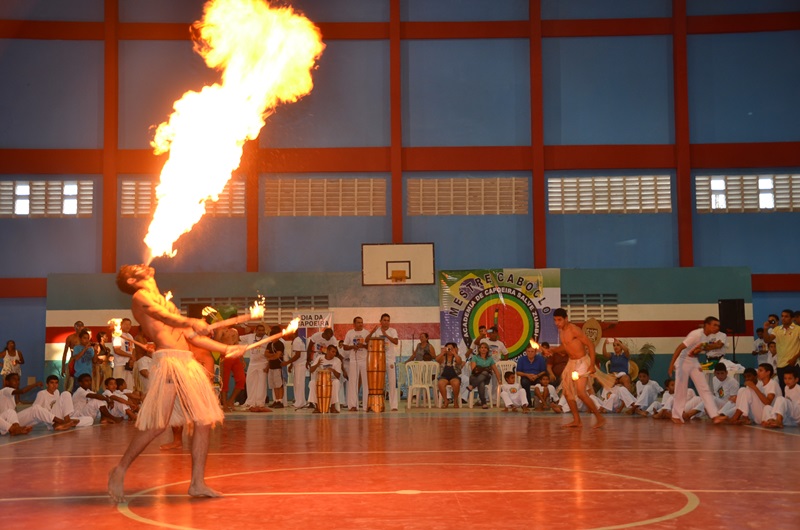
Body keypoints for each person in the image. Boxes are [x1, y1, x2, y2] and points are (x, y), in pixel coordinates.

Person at [108, 264, 246, 503]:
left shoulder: (167, 302)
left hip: (186, 361)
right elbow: (164, 318)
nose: (142, 265)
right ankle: (119, 469)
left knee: (203, 420)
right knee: (158, 425)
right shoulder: (140, 297)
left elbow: (191, 336)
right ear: (131, 281)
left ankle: (197, 483)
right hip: (169, 361)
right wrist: (191, 320)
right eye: (134, 267)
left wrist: (226, 348)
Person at [542, 308, 613, 428]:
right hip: (572, 363)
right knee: (567, 392)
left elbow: (590, 344)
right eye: (555, 320)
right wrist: (552, 350)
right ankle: (577, 421)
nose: (557, 323)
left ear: (566, 319)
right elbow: (565, 347)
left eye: (559, 320)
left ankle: (600, 418)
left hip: (582, 362)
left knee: (581, 393)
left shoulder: (574, 329)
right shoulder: (561, 331)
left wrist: (592, 365)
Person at [667, 317, 728, 425]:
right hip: (682, 361)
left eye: (718, 325)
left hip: (693, 361)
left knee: (704, 388)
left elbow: (698, 349)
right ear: (707, 325)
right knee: (681, 389)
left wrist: (698, 364)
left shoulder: (707, 336)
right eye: (714, 325)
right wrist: (671, 365)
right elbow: (680, 348)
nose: (717, 327)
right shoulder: (696, 335)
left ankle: (714, 415)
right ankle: (676, 415)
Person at [1, 373, 78, 432]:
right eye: (14, 380)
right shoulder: (5, 390)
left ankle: (62, 422)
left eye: (18, 380)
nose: (17, 382)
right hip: (6, 421)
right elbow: (22, 391)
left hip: (14, 421)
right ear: (6, 382)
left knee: (66, 394)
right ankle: (60, 422)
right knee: (36, 408)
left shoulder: (9, 395)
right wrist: (35, 384)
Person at [367, 314, 400, 411]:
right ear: (380, 321)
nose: (386, 322)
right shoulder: (377, 331)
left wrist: (386, 335)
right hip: (378, 360)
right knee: (378, 383)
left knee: (392, 382)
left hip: (390, 360)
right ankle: (378, 404)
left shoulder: (392, 331)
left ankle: (394, 405)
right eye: (384, 320)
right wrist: (372, 332)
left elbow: (396, 342)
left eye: (388, 320)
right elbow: (367, 341)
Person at [762, 310, 800, 393]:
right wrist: (765, 329)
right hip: (780, 364)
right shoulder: (777, 329)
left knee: (795, 389)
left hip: (792, 363)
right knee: (783, 389)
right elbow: (767, 340)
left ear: (792, 318)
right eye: (782, 316)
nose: (783, 318)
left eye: (786, 316)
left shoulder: (798, 329)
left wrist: (794, 358)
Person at [239, 324, 269, 411]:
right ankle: (250, 402)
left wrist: (268, 365)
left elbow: (270, 351)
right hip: (252, 363)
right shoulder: (250, 337)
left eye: (263, 330)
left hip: (263, 363)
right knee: (250, 382)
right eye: (259, 330)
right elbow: (237, 337)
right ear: (256, 330)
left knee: (261, 384)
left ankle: (260, 403)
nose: (261, 332)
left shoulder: (267, 339)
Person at [307, 327, 338, 410]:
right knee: (313, 381)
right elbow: (309, 347)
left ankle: (329, 403)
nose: (329, 338)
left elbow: (336, 351)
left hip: (327, 359)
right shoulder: (316, 336)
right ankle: (313, 403)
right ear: (324, 333)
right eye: (328, 336)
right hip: (317, 358)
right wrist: (307, 359)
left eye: (331, 336)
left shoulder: (333, 339)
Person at [343, 318, 370, 412]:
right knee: (353, 382)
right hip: (354, 360)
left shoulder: (366, 333)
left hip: (364, 360)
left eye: (361, 322)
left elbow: (370, 346)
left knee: (366, 383)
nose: (360, 324)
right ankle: (353, 405)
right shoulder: (350, 333)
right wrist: (352, 346)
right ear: (354, 323)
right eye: (358, 322)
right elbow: (345, 346)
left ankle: (367, 405)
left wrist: (363, 346)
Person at [468, 343, 502, 409]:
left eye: (485, 348)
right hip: (475, 377)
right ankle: (484, 403)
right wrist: (485, 369)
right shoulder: (475, 357)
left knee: (485, 373)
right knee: (482, 382)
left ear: (487, 350)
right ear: (479, 349)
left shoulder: (490, 359)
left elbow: (496, 370)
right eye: (482, 347)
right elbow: (474, 370)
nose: (483, 349)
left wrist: (499, 380)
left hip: (486, 378)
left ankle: (472, 386)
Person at [435, 342, 462, 408]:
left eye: (451, 348)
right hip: (444, 376)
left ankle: (455, 401)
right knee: (440, 383)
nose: (450, 350)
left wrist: (454, 353)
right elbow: (436, 360)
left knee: (456, 383)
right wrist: (442, 353)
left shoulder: (456, 357)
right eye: (448, 348)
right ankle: (445, 400)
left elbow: (459, 362)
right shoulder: (443, 357)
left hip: (454, 376)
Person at [285, 329, 307, 410]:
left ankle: (299, 403)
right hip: (297, 365)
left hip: (300, 365)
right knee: (297, 384)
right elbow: (294, 354)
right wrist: (291, 365)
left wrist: (287, 362)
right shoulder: (296, 340)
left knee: (299, 384)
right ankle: (300, 401)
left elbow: (297, 355)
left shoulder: (296, 341)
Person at [265, 326, 286, 408]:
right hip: (271, 367)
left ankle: (280, 401)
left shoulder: (280, 344)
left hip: (278, 367)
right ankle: (276, 400)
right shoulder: (270, 344)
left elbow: (278, 355)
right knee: (274, 384)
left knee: (279, 384)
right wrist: (272, 356)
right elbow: (266, 354)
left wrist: (271, 356)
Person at [112, 318, 136, 389]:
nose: (128, 326)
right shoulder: (117, 335)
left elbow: (133, 349)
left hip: (128, 365)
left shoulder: (130, 336)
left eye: (129, 324)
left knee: (129, 387)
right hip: (120, 364)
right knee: (119, 387)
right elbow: (117, 350)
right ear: (121, 325)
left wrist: (132, 360)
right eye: (125, 324)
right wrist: (130, 356)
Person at [61, 320, 84, 390]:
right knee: (70, 383)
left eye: (81, 326)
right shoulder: (70, 338)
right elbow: (65, 353)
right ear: (74, 327)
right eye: (78, 326)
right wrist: (63, 367)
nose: (79, 328)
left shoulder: (85, 338)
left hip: (83, 362)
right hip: (73, 361)